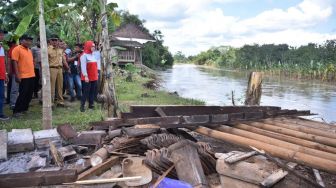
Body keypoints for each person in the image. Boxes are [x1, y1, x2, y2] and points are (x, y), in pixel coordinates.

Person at [11, 35, 35, 116]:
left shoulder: (29, 50)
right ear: (21, 41)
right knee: (23, 93)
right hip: (23, 76)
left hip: (31, 75)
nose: (29, 42)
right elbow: (14, 62)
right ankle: (16, 111)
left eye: (30, 41)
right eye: (27, 40)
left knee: (29, 93)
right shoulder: (17, 49)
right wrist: (17, 75)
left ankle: (24, 109)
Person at [80, 41, 98, 112]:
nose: (94, 47)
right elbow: (83, 67)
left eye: (94, 46)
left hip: (94, 77)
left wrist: (97, 75)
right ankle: (82, 106)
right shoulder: (83, 56)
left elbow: (95, 66)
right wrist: (86, 76)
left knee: (92, 92)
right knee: (86, 92)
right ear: (88, 46)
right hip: (87, 77)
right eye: (92, 46)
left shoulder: (93, 55)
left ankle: (91, 105)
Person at [48, 35, 65, 107]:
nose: (54, 42)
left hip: (60, 69)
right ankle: (51, 102)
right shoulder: (48, 49)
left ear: (58, 41)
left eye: (56, 40)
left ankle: (60, 101)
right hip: (52, 68)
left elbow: (63, 60)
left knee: (60, 86)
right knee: (51, 86)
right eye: (53, 40)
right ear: (50, 41)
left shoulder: (60, 50)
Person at [0, 30, 9, 120]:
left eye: (3, 35)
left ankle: (1, 113)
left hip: (1, 76)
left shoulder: (1, 47)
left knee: (1, 95)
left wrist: (5, 73)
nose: (2, 37)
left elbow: (2, 63)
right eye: (1, 35)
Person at [6, 40, 17, 108]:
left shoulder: (12, 49)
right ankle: (12, 102)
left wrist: (8, 72)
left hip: (14, 72)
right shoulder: (17, 48)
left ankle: (12, 103)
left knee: (14, 88)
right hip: (17, 72)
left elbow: (9, 62)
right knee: (14, 88)